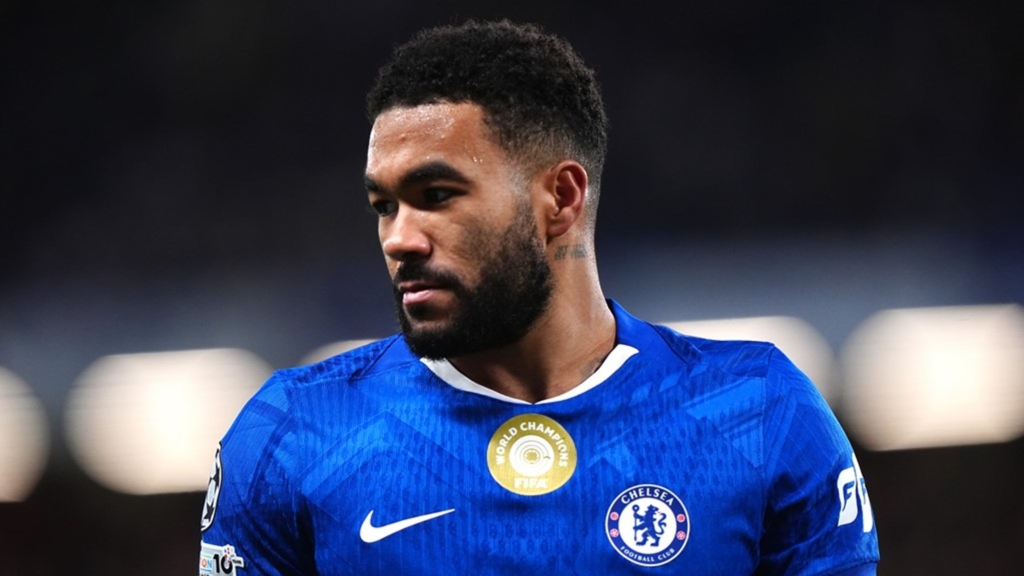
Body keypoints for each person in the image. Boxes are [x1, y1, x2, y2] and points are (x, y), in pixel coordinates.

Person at [198, 20, 879, 575]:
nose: (399, 239)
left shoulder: (758, 412)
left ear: (561, 197)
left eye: (436, 195)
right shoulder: (295, 432)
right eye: (384, 205)